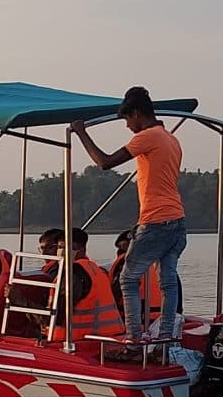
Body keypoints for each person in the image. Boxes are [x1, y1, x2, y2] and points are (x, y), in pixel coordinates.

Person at [71, 85, 183, 344]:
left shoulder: (149, 136)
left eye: (127, 120)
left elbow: (105, 162)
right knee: (167, 281)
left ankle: (134, 337)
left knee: (128, 278)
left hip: (156, 220)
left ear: (136, 114)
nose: (127, 127)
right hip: (177, 219)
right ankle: (165, 336)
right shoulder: (170, 138)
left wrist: (81, 132)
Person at [33, 227, 126, 346]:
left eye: (67, 247)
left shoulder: (73, 275)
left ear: (82, 249)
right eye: (60, 247)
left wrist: (18, 300)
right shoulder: (96, 271)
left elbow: (55, 317)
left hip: (79, 341)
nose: (62, 251)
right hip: (109, 336)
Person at [110, 226, 162, 331]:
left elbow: (115, 294)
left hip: (139, 322)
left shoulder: (126, 264)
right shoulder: (158, 264)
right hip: (159, 321)